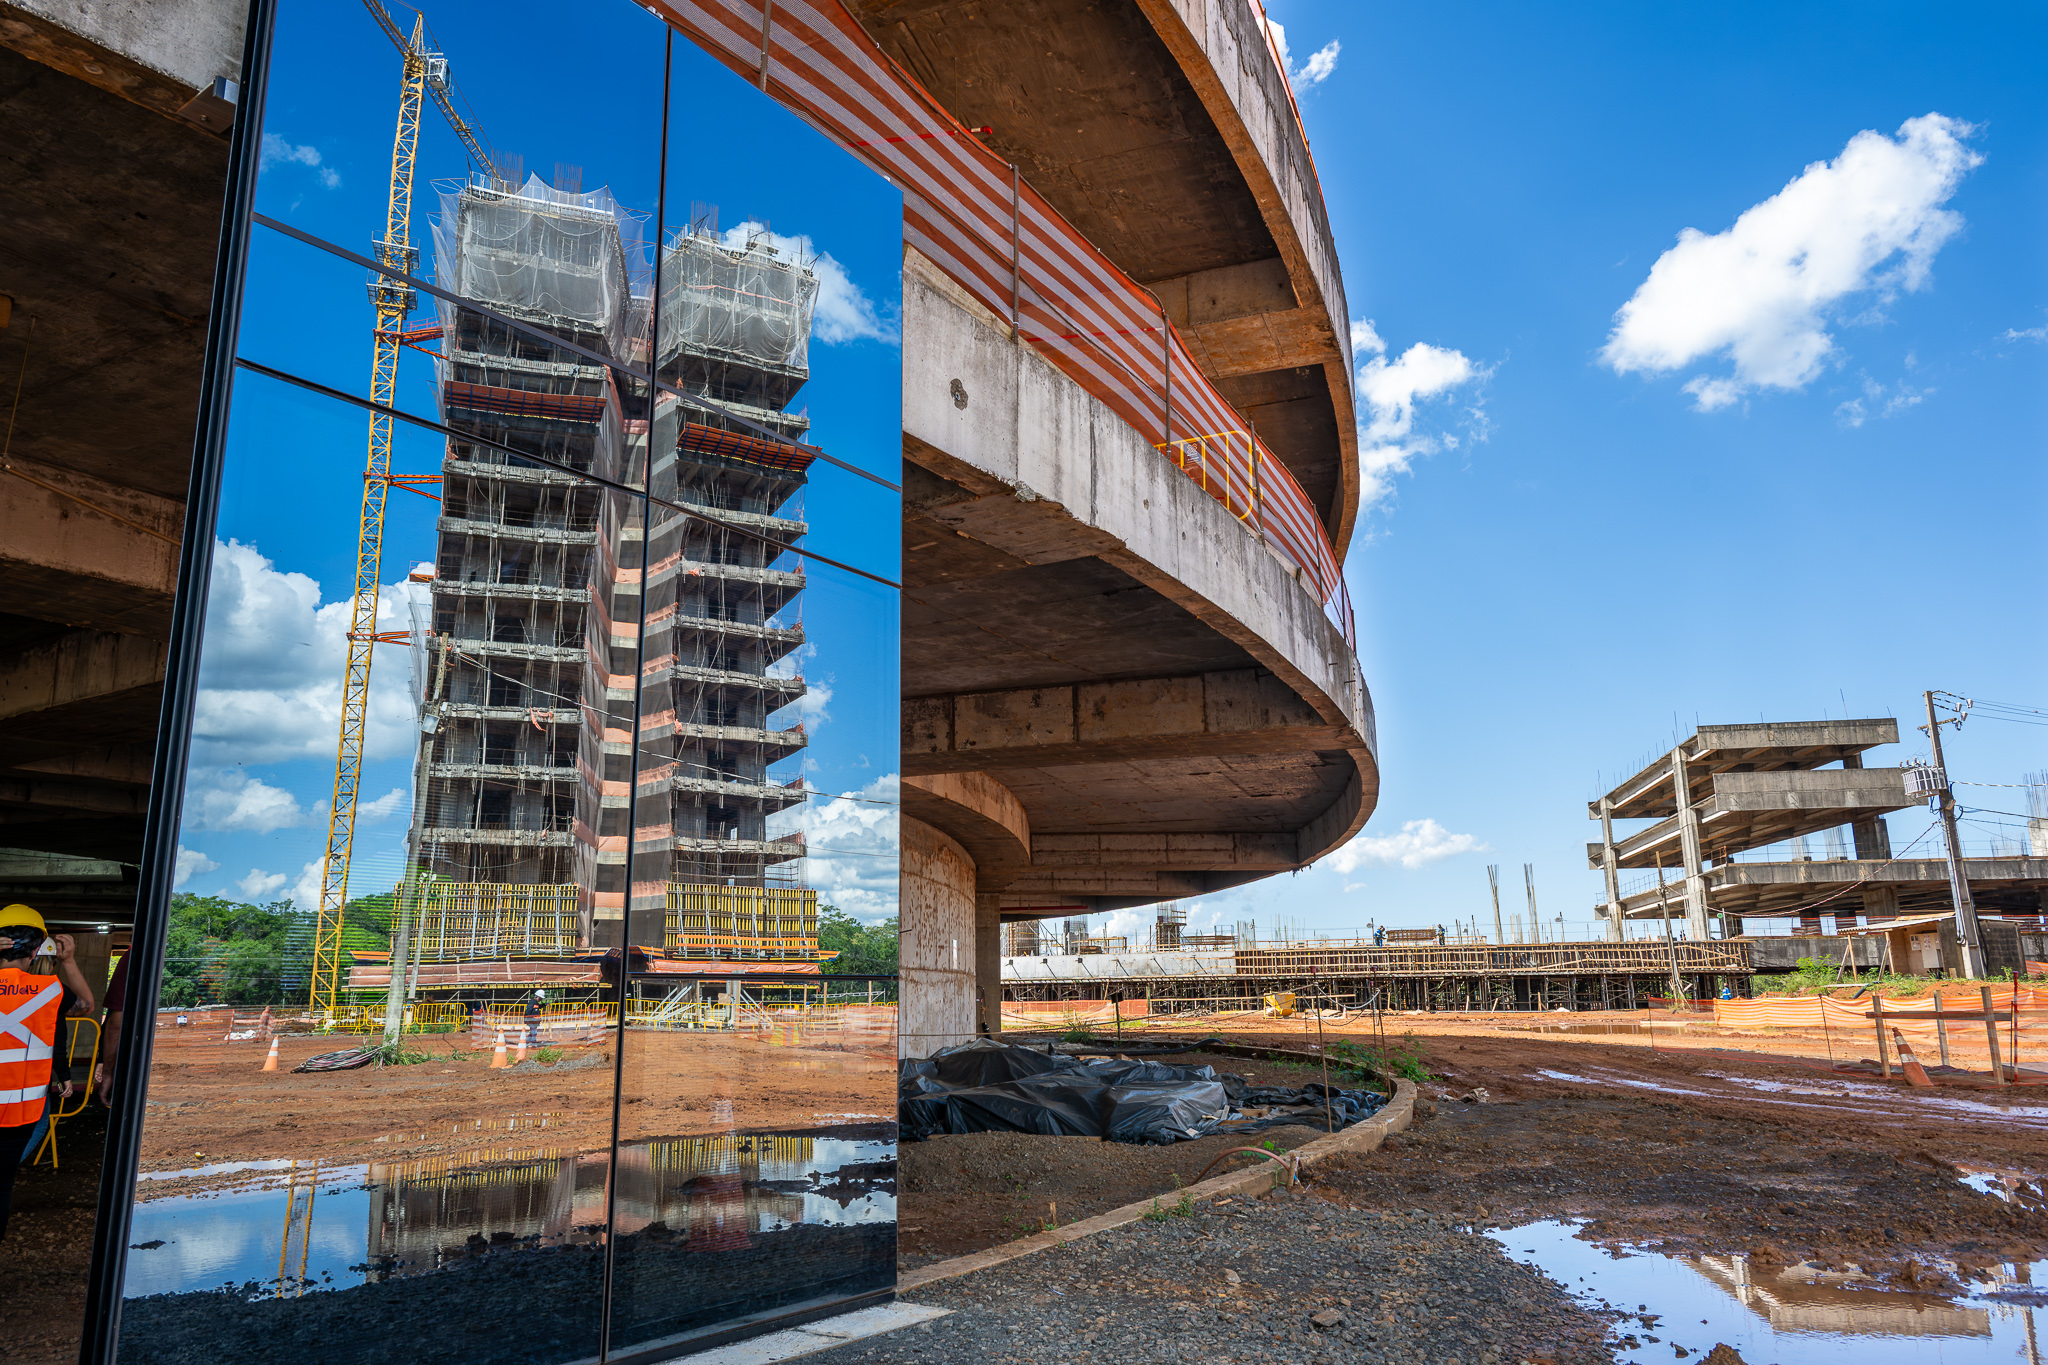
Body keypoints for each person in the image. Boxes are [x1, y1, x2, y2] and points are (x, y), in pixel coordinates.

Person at [0, 904, 93, 1239]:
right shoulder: (51, 991)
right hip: (20, 1114)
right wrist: (68, 961)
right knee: (2, 1186)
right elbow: (87, 1004)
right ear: (37, 949)